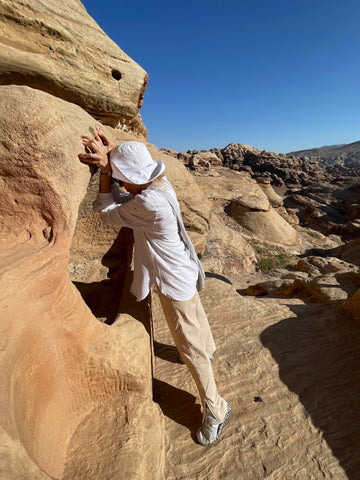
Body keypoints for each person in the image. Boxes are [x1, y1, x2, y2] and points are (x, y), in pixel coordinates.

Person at [79, 127, 231, 446]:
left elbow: (107, 211)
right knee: (196, 320)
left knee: (189, 346)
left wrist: (106, 171)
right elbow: (126, 191)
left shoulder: (148, 204)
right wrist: (115, 156)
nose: (121, 183)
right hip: (184, 270)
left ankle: (217, 408)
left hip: (172, 281)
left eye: (122, 177)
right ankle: (210, 350)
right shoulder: (159, 185)